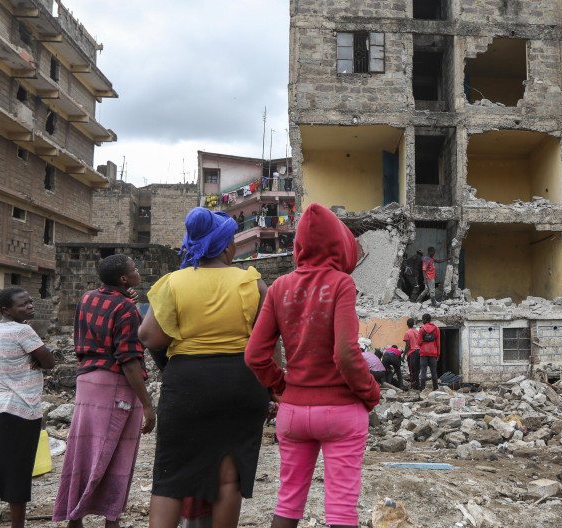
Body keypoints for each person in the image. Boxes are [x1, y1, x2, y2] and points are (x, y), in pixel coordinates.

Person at [244, 202, 381, 528]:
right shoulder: (341, 284)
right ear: (338, 244)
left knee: (288, 501)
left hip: (293, 411)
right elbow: (346, 354)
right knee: (342, 507)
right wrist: (370, 392)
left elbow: (255, 355)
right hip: (341, 411)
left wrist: (280, 387)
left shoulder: (279, 287)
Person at [138, 207, 269, 528]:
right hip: (241, 383)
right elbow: (269, 338)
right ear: (226, 247)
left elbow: (149, 336)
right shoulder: (251, 282)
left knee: (171, 479)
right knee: (228, 478)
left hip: (188, 385)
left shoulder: (173, 282)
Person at [53, 254, 155, 528]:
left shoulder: (88, 298)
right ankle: (111, 520)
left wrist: (126, 301)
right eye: (133, 268)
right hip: (115, 384)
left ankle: (75, 518)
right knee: (118, 453)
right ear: (124, 279)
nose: (137, 270)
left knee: (83, 451)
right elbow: (129, 360)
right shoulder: (126, 309)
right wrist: (147, 404)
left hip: (87, 381)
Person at [0, 287, 55, 528]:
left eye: (30, 301)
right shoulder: (23, 330)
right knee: (19, 473)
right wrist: (38, 356)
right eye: (23, 304)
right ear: (6, 310)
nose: (30, 306)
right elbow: (49, 362)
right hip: (21, 410)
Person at [418, 313, 441, 391]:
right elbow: (438, 343)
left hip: (424, 352)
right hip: (433, 352)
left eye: (422, 319)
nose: (422, 321)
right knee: (433, 371)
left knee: (423, 371)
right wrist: (438, 354)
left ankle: (422, 388)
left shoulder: (422, 329)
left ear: (425, 320)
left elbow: (419, 342)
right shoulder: (436, 329)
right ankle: (435, 387)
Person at [403, 318, 421, 390]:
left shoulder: (407, 333)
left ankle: (413, 386)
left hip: (412, 352)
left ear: (407, 324)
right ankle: (417, 385)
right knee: (417, 370)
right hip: (419, 351)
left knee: (412, 370)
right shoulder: (417, 331)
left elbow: (408, 345)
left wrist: (404, 355)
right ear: (413, 324)